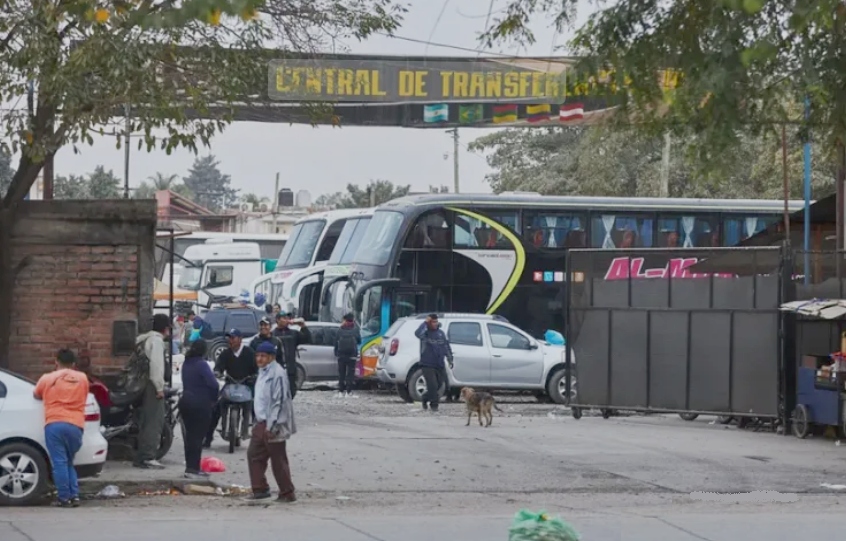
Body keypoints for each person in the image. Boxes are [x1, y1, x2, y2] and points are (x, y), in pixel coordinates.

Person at [33, 349, 89, 507]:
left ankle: (64, 498)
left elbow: (36, 394)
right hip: (76, 425)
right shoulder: (82, 378)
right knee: (69, 462)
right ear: (74, 364)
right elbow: (85, 395)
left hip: (55, 423)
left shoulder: (47, 378)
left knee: (59, 462)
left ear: (56, 361)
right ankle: (74, 496)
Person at [244, 341, 297, 503]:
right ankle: (260, 489)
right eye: (257, 356)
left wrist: (272, 425)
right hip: (260, 422)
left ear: (271, 357)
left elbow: (278, 401)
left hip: (274, 424)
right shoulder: (262, 372)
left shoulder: (277, 374)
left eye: (263, 356)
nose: (259, 359)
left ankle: (287, 493)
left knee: (278, 460)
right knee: (254, 455)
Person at [206, 328, 258, 447]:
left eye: (233, 338)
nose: (230, 340)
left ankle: (255, 436)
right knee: (216, 407)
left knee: (255, 407)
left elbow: (256, 368)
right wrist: (217, 372)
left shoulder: (249, 352)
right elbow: (218, 367)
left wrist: (255, 375)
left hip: (246, 384)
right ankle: (208, 438)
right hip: (230, 383)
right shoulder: (225, 353)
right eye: (229, 338)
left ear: (240, 339)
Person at [133, 313, 170, 469]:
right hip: (152, 385)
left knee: (146, 421)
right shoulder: (156, 341)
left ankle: (142, 456)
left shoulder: (144, 339)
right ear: (166, 328)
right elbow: (156, 366)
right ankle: (148, 457)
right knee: (154, 421)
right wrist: (159, 388)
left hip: (141, 384)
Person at [179, 339, 218, 479]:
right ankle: (193, 469)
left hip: (185, 402)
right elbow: (213, 384)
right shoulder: (202, 364)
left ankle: (190, 467)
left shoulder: (186, 363)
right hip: (200, 404)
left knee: (189, 437)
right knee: (197, 437)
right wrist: (213, 400)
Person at [414, 314, 453, 412]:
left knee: (440, 384)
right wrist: (425, 322)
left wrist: (450, 358)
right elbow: (417, 333)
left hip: (439, 363)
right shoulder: (425, 333)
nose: (435, 324)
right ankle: (434, 406)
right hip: (427, 364)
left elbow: (446, 346)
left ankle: (425, 397)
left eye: (436, 322)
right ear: (429, 322)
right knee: (433, 385)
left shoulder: (441, 333)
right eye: (433, 322)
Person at [272, 311, 312, 399]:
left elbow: (307, 339)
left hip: (290, 369)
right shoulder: (272, 335)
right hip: (276, 369)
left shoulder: (293, 333)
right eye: (284, 318)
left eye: (287, 318)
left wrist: (303, 326)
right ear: (277, 320)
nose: (286, 320)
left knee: (291, 392)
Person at [334, 313, 361, 398]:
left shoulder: (340, 329)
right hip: (352, 355)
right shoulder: (355, 329)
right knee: (350, 374)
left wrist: (336, 353)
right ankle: (348, 392)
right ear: (353, 320)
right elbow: (359, 340)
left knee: (341, 373)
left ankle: (340, 391)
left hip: (341, 355)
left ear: (345, 320)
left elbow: (336, 342)